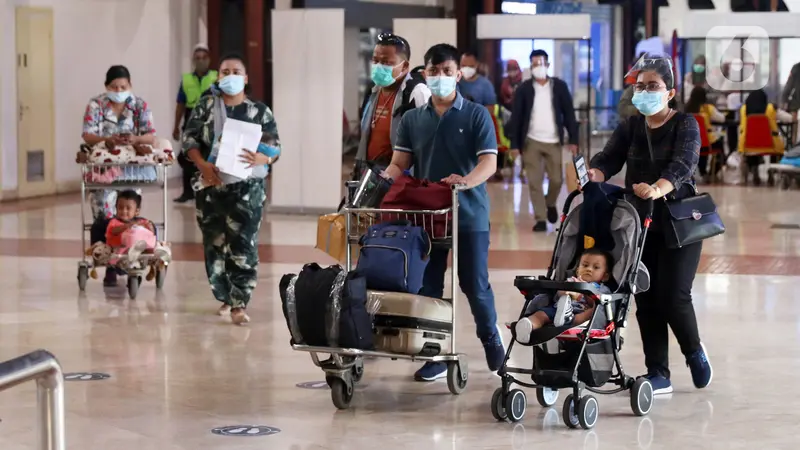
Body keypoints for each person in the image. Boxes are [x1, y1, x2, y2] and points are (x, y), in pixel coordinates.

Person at [587, 54, 712, 395]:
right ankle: (658, 372)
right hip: (639, 224)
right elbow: (608, 158)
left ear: (670, 93)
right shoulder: (631, 126)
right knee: (646, 297)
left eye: (653, 86)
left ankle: (694, 351)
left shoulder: (685, 123)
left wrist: (659, 187)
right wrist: (593, 173)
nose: (644, 92)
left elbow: (684, 164)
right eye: (640, 86)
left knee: (674, 295)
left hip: (679, 221)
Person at [385, 43, 504, 381]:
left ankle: (493, 344)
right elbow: (400, 163)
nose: (440, 77)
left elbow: (490, 162)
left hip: (469, 216)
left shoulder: (477, 114)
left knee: (474, 284)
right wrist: (380, 182)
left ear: (458, 75)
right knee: (428, 286)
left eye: (447, 72)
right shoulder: (412, 119)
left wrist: (465, 182)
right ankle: (434, 352)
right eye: (434, 72)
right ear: (424, 73)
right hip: (427, 217)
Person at [182, 53, 280, 325]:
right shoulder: (205, 107)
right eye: (225, 71)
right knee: (214, 244)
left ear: (246, 79)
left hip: (247, 190)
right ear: (218, 76)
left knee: (244, 244)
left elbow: (274, 146)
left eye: (236, 71)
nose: (230, 75)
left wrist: (265, 157)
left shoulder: (259, 111)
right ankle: (224, 293)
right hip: (210, 188)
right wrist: (202, 164)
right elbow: (188, 139)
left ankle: (240, 302)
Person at [78, 65, 158, 287]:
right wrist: (106, 141)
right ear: (106, 87)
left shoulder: (139, 105)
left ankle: (128, 261)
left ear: (130, 86)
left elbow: (151, 136)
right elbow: (87, 135)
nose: (119, 90)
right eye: (114, 87)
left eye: (123, 86)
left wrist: (135, 140)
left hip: (132, 170)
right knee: (105, 217)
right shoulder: (96, 105)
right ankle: (109, 265)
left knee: (127, 215)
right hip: (104, 169)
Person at [508, 49, 579, 232]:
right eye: (534, 64)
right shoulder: (524, 89)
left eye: (540, 63)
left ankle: (550, 203)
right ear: (530, 66)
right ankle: (540, 218)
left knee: (556, 179)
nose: (537, 67)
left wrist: (573, 139)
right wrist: (514, 145)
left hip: (554, 140)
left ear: (547, 65)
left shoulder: (560, 87)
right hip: (531, 141)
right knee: (534, 181)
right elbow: (516, 117)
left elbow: (569, 113)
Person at [355, 33, 431, 169]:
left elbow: (428, 143)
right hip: (370, 174)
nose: (378, 66)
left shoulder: (416, 93)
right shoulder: (373, 91)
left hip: (401, 179)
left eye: (386, 62)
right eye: (375, 60)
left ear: (404, 66)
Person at [511, 248, 613, 344]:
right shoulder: (571, 281)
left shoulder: (602, 289)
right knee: (541, 314)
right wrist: (567, 292)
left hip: (580, 313)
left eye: (596, 267)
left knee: (594, 311)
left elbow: (596, 303)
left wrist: (584, 294)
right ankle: (527, 326)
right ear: (577, 270)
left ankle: (568, 319)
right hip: (558, 309)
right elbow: (559, 293)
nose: (589, 269)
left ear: (605, 276)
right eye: (585, 265)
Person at [173, 44, 218, 204]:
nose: (200, 61)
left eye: (203, 58)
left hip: (210, 120)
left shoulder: (216, 77)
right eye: (197, 58)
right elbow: (180, 104)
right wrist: (176, 125)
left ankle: (209, 191)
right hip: (191, 118)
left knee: (208, 156)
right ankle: (187, 192)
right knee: (187, 156)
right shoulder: (187, 79)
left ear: (209, 59)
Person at [738, 88, 792, 185]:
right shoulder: (771, 109)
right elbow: (789, 118)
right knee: (778, 151)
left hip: (748, 145)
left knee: (753, 151)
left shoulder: (743, 109)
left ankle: (754, 168)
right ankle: (772, 170)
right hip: (771, 146)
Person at [105, 190, 171, 268]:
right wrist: (127, 226)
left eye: (128, 208)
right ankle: (111, 273)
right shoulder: (114, 222)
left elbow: (150, 234)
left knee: (153, 244)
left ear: (136, 211)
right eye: (120, 208)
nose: (123, 211)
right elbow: (113, 231)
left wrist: (149, 227)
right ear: (116, 208)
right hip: (120, 250)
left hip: (140, 249)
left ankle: (158, 256)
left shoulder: (141, 221)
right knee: (112, 260)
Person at [684, 86, 726, 180]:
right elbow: (722, 118)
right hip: (706, 142)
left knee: (700, 149)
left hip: (690, 142)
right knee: (718, 145)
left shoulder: (686, 109)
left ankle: (703, 172)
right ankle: (712, 172)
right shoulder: (708, 108)